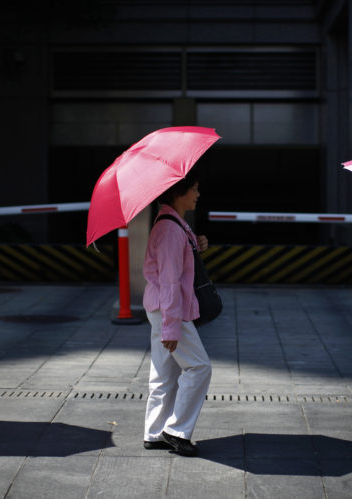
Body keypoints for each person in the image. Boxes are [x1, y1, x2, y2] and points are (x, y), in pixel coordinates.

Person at [142, 173, 212, 456]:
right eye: (194, 189)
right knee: (199, 367)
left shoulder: (171, 222)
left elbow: (178, 257)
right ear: (179, 193)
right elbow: (171, 279)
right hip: (170, 309)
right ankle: (176, 430)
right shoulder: (171, 228)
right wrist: (172, 328)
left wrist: (197, 243)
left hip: (160, 307)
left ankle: (155, 431)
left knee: (164, 371)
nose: (197, 194)